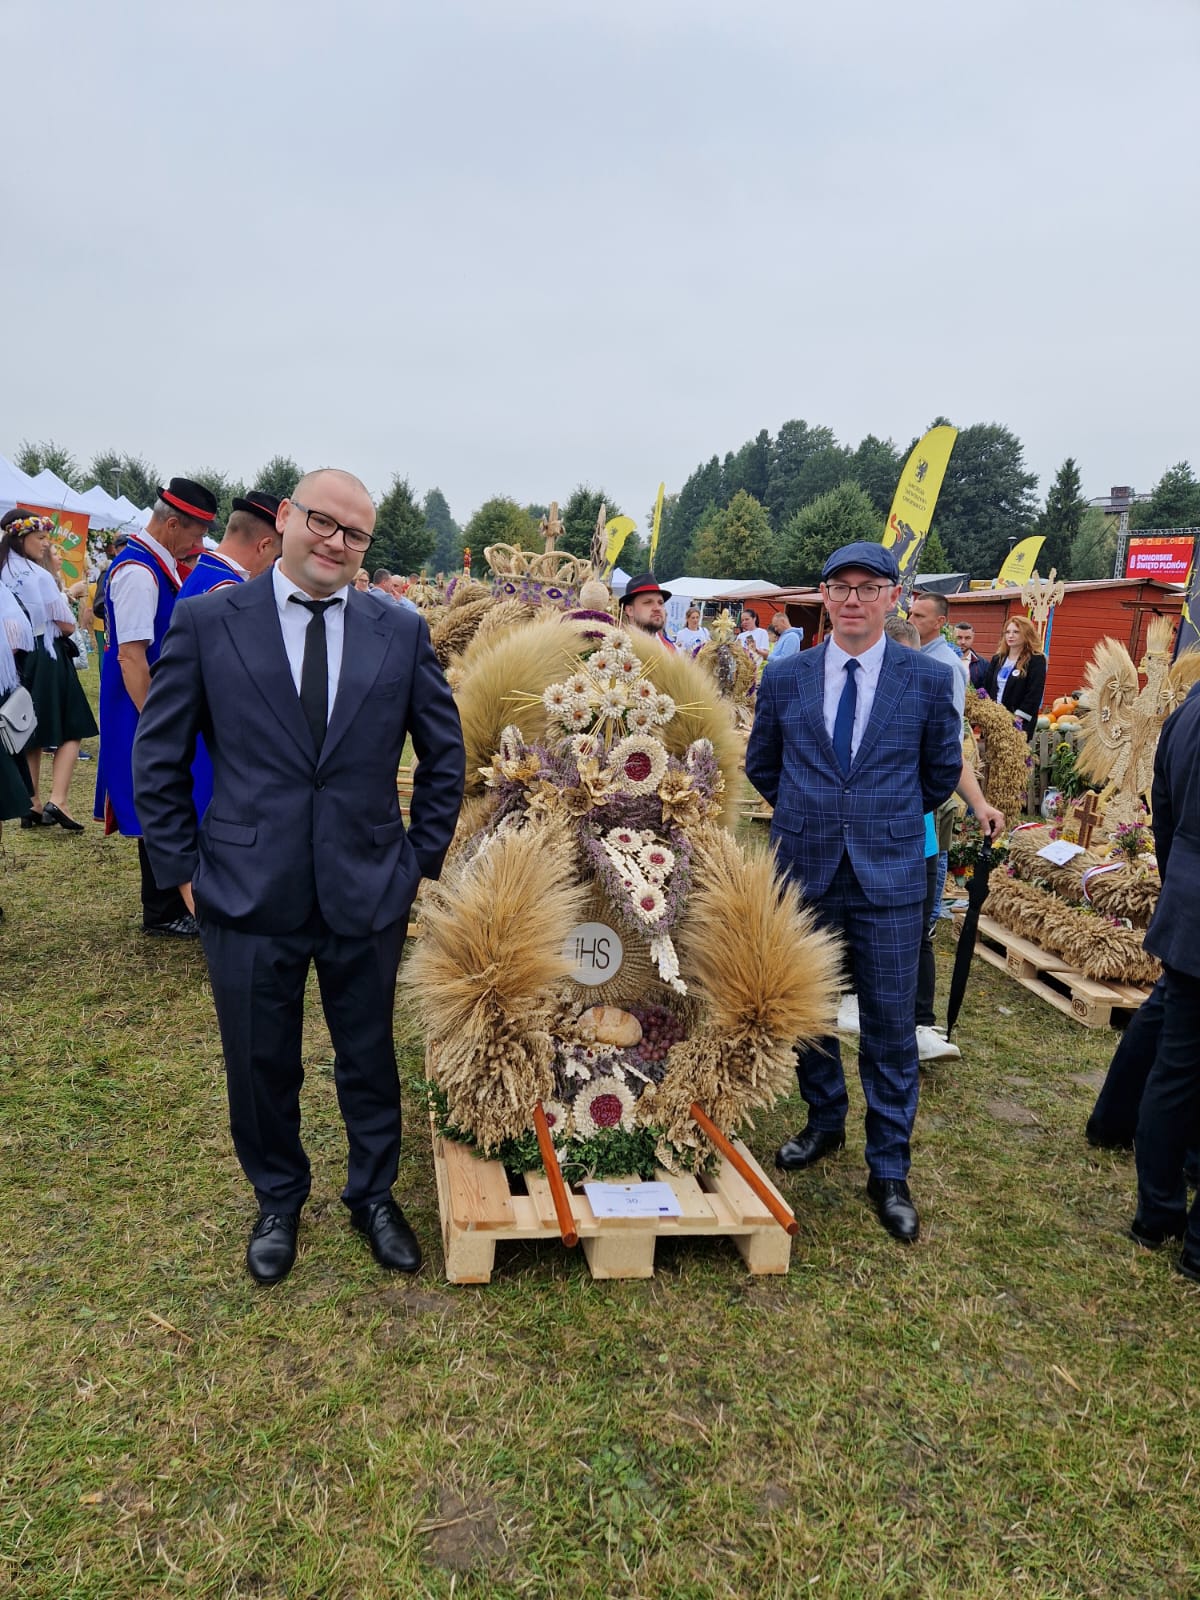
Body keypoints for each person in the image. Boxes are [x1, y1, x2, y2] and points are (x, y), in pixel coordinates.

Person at [133, 468, 466, 1286]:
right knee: (259, 1058)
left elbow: (444, 753)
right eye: (323, 521)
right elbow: (160, 755)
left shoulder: (400, 629)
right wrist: (181, 870)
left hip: (367, 887)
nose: (337, 543)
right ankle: (278, 1197)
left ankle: (373, 1195)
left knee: (368, 1055)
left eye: (355, 534)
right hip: (245, 890)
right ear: (285, 517)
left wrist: (416, 861)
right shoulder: (210, 621)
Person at [745, 541, 962, 1242]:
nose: (854, 600)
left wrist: (880, 820)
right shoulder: (788, 679)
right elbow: (763, 766)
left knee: (891, 1027)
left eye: (869, 587)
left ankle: (889, 1167)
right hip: (805, 871)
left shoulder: (924, 683)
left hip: (890, 876)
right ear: (824, 596)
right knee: (805, 1010)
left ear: (893, 596)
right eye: (841, 587)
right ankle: (824, 1120)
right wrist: (814, 815)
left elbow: (939, 776)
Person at [95, 478, 218, 935]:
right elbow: (132, 656)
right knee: (156, 796)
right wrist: (157, 721)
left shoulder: (154, 566)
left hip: (149, 701)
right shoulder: (139, 573)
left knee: (166, 794)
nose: (199, 545)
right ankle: (163, 910)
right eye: (197, 534)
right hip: (139, 702)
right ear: (171, 525)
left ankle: (168, 904)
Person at [1128, 689, 1200, 1279]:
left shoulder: (1190, 708)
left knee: (1176, 1069)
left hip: (1188, 909)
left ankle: (1156, 1212)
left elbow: (1165, 813)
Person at [176, 493, 283, 821]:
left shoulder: (202, 572)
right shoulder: (229, 591)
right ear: (264, 546)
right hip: (213, 747)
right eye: (277, 557)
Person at [0, 511, 98, 830]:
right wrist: (68, 595)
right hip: (46, 653)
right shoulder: (37, 576)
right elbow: (67, 626)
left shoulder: (3, 569)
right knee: (73, 724)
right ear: (20, 537)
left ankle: (33, 801)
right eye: (40, 538)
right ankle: (60, 799)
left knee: (28, 726)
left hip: (14, 659)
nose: (46, 544)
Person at [981, 616, 1046, 740]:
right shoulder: (998, 659)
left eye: (1016, 632)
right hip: (994, 720)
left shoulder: (1036, 660)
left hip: (1017, 722)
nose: (1010, 635)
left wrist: (1017, 718)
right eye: (1008, 632)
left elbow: (1034, 693)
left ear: (1026, 634)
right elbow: (987, 687)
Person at [619, 574, 675, 648]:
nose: (657, 608)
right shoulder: (618, 646)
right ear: (630, 610)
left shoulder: (672, 649)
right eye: (648, 602)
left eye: (660, 603)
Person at [954, 619, 988, 689]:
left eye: (967, 638)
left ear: (973, 638)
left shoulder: (983, 664)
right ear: (952, 637)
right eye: (959, 637)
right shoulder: (944, 660)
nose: (963, 642)